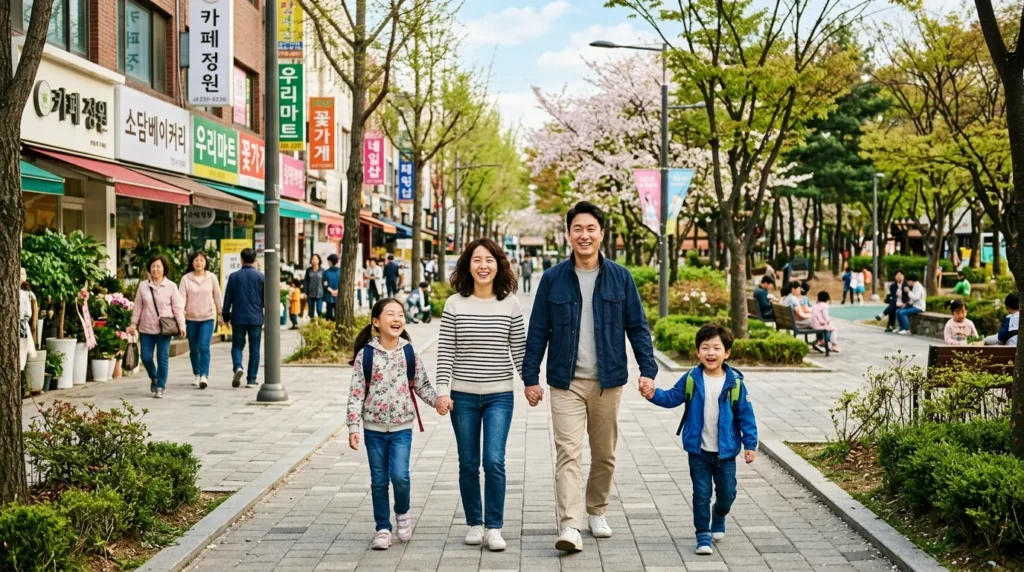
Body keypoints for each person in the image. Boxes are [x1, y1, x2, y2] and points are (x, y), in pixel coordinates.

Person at [523, 201, 658, 553]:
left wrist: (648, 370)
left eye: (591, 229)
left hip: (608, 381)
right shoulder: (552, 279)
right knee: (568, 453)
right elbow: (538, 330)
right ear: (568, 234)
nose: (584, 235)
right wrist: (530, 377)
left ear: (601, 234)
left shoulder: (620, 277)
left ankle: (596, 509)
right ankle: (570, 525)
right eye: (577, 229)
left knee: (604, 454)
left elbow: (637, 327)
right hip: (565, 382)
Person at [436, 238, 525, 553]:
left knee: (494, 461)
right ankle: (475, 522)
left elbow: (519, 348)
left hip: (499, 395)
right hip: (462, 397)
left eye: (489, 260)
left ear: (499, 264)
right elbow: (446, 350)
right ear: (467, 265)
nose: (483, 265)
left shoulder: (510, 304)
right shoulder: (454, 304)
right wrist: (442, 391)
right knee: (468, 462)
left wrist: (531, 382)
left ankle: (494, 527)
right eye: (477, 260)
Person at [638, 324, 757, 556]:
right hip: (699, 452)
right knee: (701, 494)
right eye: (705, 348)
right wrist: (653, 394)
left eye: (716, 348)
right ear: (697, 352)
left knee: (727, 494)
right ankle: (703, 534)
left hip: (726, 453)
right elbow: (672, 397)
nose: (710, 353)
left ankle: (719, 515)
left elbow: (746, 416)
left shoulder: (736, 384)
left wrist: (750, 444)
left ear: (727, 353)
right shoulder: (691, 378)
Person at [347, 298, 442, 550]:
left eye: (400, 314)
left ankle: (402, 513)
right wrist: (354, 427)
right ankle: (382, 528)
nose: (397, 318)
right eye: (390, 314)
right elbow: (356, 394)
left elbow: (421, 385)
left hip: (402, 427)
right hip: (373, 429)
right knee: (379, 480)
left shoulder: (409, 351)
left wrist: (437, 402)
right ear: (376, 322)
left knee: (400, 476)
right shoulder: (365, 355)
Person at [128, 255, 186, 398]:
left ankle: (160, 385)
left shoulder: (171, 286)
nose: (155, 269)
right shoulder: (143, 286)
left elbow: (177, 308)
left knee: (162, 358)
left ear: (164, 269)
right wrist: (133, 324)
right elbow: (138, 307)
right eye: (153, 266)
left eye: (158, 266)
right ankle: (154, 376)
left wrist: (182, 325)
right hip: (146, 327)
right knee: (146, 357)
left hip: (164, 329)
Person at [178, 252, 223, 390]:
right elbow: (180, 301)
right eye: (196, 260)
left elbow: (218, 297)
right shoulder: (186, 279)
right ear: (192, 263)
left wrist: (221, 314)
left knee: (204, 346)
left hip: (207, 318)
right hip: (190, 319)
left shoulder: (211, 277)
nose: (199, 263)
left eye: (202, 260)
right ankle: (197, 373)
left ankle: (204, 375)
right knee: (194, 349)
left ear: (205, 262)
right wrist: (181, 320)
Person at [223, 248, 265, 387]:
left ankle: (238, 367)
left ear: (241, 260)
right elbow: (265, 299)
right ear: (255, 260)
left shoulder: (234, 277)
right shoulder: (261, 276)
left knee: (237, 346)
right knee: (255, 349)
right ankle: (251, 379)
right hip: (256, 318)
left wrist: (226, 316)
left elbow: (228, 298)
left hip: (238, 317)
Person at [19, 268, 37, 372]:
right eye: (21, 273)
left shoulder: (27, 293)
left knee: (23, 348)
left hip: (23, 324)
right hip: (21, 323)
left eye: (24, 274)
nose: (23, 275)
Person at [303, 254, 325, 319]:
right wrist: (305, 292)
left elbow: (325, 281)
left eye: (316, 259)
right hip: (310, 293)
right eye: (313, 259)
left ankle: (320, 323)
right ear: (311, 260)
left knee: (319, 310)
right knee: (311, 312)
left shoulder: (322, 270)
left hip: (320, 293)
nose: (314, 260)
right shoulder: (308, 270)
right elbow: (305, 281)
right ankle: (312, 325)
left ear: (319, 260)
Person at [324, 254, 341, 321]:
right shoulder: (340, 271)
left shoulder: (326, 272)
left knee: (329, 312)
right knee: (338, 313)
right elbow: (342, 283)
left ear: (330, 262)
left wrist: (331, 291)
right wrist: (337, 291)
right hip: (338, 294)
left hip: (329, 295)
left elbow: (325, 284)